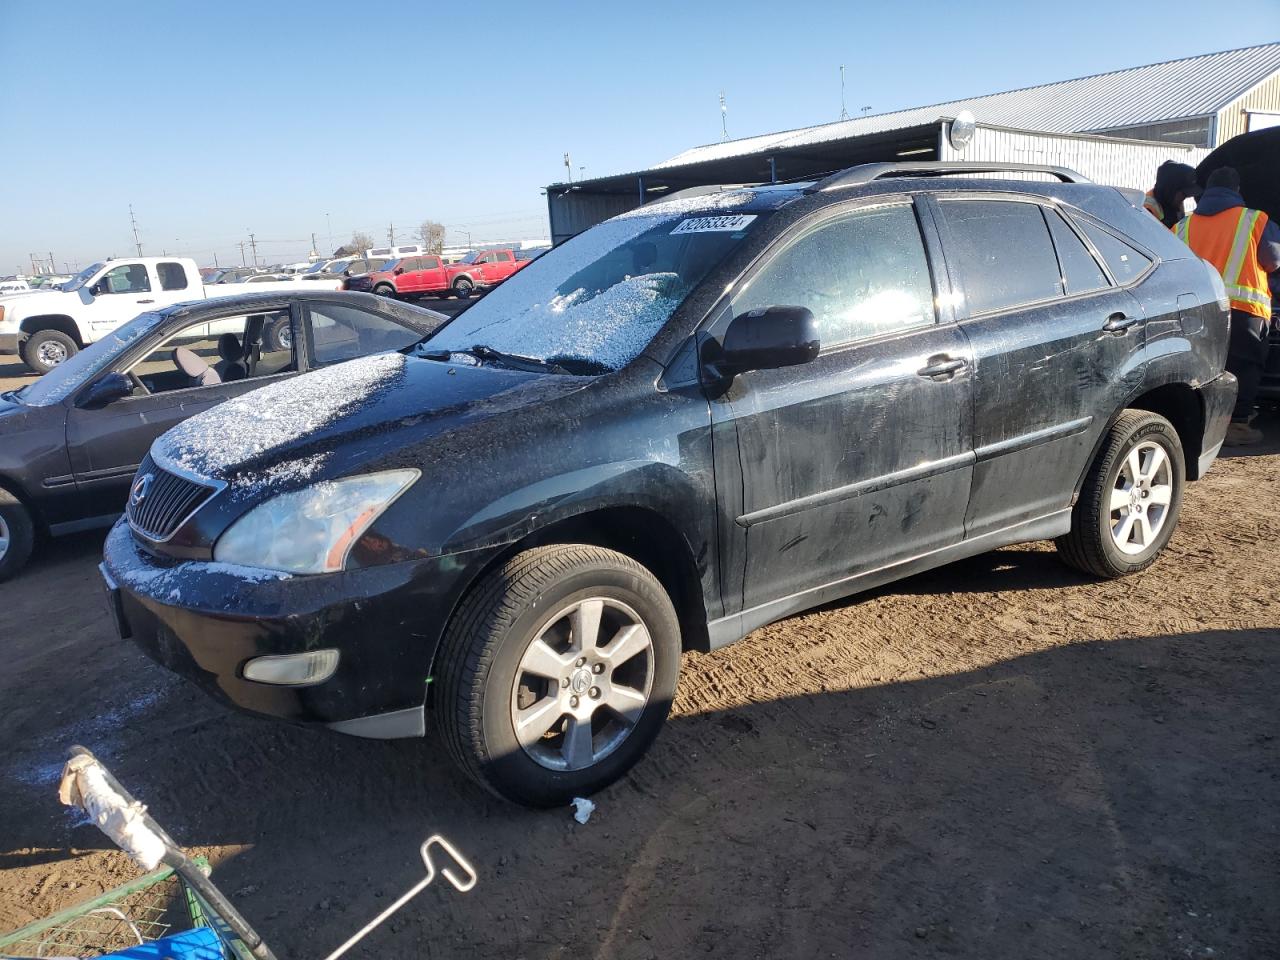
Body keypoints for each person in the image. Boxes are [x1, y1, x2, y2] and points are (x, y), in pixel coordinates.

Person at [1174, 166, 1280, 446]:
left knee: (1203, 366)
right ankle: (1236, 425)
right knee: (1243, 368)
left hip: (1198, 311)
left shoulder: (1183, 225)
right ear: (1237, 192)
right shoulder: (1255, 220)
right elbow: (1274, 260)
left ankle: (1199, 422)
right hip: (1245, 310)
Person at [1144, 161, 1200, 229]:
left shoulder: (1173, 201)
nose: (1185, 198)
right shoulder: (1148, 209)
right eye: (1184, 194)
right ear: (1171, 191)